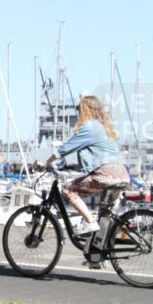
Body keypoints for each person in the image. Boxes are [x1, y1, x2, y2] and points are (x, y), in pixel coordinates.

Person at [44, 95, 128, 235]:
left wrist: (47, 162)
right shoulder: (104, 128)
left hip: (106, 174)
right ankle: (102, 253)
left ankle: (89, 221)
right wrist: (72, 167)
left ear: (85, 110)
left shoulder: (90, 127)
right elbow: (97, 157)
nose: (77, 112)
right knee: (104, 217)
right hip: (122, 175)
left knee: (68, 189)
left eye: (79, 108)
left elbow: (66, 148)